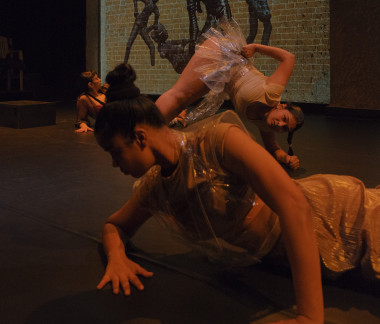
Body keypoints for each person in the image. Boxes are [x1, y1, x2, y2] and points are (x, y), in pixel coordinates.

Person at [94, 64, 379, 324]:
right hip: (295, 252)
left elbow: (295, 204)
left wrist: (309, 316)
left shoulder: (216, 141)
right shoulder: (156, 186)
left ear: (141, 137)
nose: (115, 164)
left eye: (115, 152)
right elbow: (115, 225)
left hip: (339, 213)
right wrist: (117, 257)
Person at [155, 19, 303, 169]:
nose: (279, 124)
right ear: (281, 106)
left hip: (222, 74)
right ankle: (146, 131)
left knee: (181, 100)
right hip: (224, 55)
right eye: (284, 118)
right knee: (178, 95)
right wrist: (256, 48)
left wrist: (286, 158)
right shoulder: (272, 94)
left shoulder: (265, 124)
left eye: (284, 128)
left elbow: (273, 148)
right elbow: (289, 58)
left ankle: (154, 137)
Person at [124, 0, 160, 66]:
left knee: (152, 47)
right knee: (129, 45)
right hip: (138, 23)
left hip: (143, 27)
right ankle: (124, 64)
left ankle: (152, 65)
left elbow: (155, 25)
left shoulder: (156, 10)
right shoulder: (147, 1)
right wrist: (136, 11)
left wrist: (150, 28)